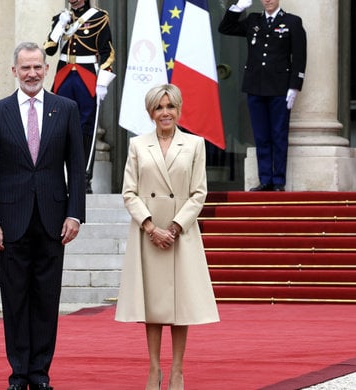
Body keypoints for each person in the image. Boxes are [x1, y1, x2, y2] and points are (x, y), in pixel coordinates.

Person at [0, 42, 86, 390]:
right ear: (14, 71)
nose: (32, 74)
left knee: (45, 298)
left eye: (38, 67)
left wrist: (75, 214)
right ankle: (18, 372)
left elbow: (75, 166)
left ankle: (40, 373)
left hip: (54, 221)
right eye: (25, 68)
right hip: (10, 223)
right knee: (14, 300)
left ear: (46, 69)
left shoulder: (65, 108)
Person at [114, 84, 219, 390]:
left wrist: (174, 227)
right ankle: (153, 368)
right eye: (159, 107)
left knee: (179, 304)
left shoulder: (195, 145)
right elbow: (129, 192)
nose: (165, 113)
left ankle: (177, 370)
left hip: (180, 234)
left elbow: (199, 193)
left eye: (170, 106)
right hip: (148, 233)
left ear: (179, 109)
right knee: (154, 306)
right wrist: (150, 227)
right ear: (150, 112)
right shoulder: (137, 146)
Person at [218, 0, 306, 191]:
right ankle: (265, 179)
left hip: (280, 88)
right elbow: (225, 28)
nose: (267, 0)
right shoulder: (253, 20)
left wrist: (295, 86)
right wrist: (238, 7)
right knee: (261, 136)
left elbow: (299, 56)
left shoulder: (292, 22)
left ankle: (279, 181)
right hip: (255, 87)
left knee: (278, 135)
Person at [43, 0, 115, 194]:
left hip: (86, 76)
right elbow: (49, 49)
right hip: (64, 76)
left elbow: (107, 52)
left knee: (86, 128)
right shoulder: (62, 18)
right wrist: (59, 25)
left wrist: (103, 80)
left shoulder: (99, 17)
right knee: (57, 125)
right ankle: (58, 176)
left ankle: (83, 177)